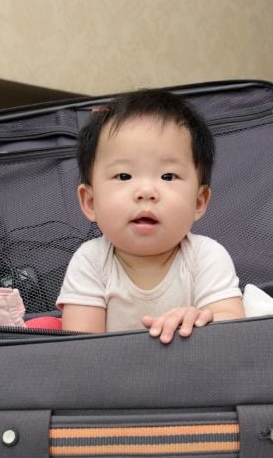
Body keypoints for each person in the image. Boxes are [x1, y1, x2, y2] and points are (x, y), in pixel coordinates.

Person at [57, 89, 245, 343]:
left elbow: (236, 331)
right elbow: (80, 350)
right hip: (113, 379)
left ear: (198, 202)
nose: (146, 192)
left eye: (168, 176)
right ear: (90, 202)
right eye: (124, 176)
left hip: (196, 374)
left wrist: (204, 320)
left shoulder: (206, 257)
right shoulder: (90, 262)